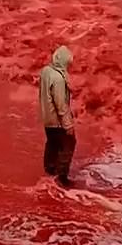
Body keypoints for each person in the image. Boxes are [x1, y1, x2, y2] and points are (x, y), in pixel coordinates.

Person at [39, 45, 76, 187]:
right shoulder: (59, 78)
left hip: (47, 118)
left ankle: (49, 171)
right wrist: (68, 124)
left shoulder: (46, 71)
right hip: (57, 120)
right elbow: (60, 104)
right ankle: (62, 177)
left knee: (52, 143)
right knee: (69, 143)